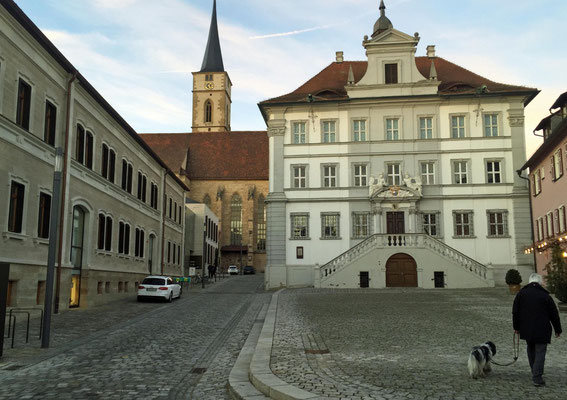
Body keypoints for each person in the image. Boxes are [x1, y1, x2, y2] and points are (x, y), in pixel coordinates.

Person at [512, 273, 562, 387]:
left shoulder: (521, 294)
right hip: (542, 329)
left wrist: (516, 328)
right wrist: (557, 329)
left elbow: (515, 312)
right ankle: (537, 377)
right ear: (540, 282)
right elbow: (554, 314)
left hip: (527, 328)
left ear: (529, 282)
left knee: (531, 349)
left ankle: (535, 371)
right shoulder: (545, 296)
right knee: (540, 352)